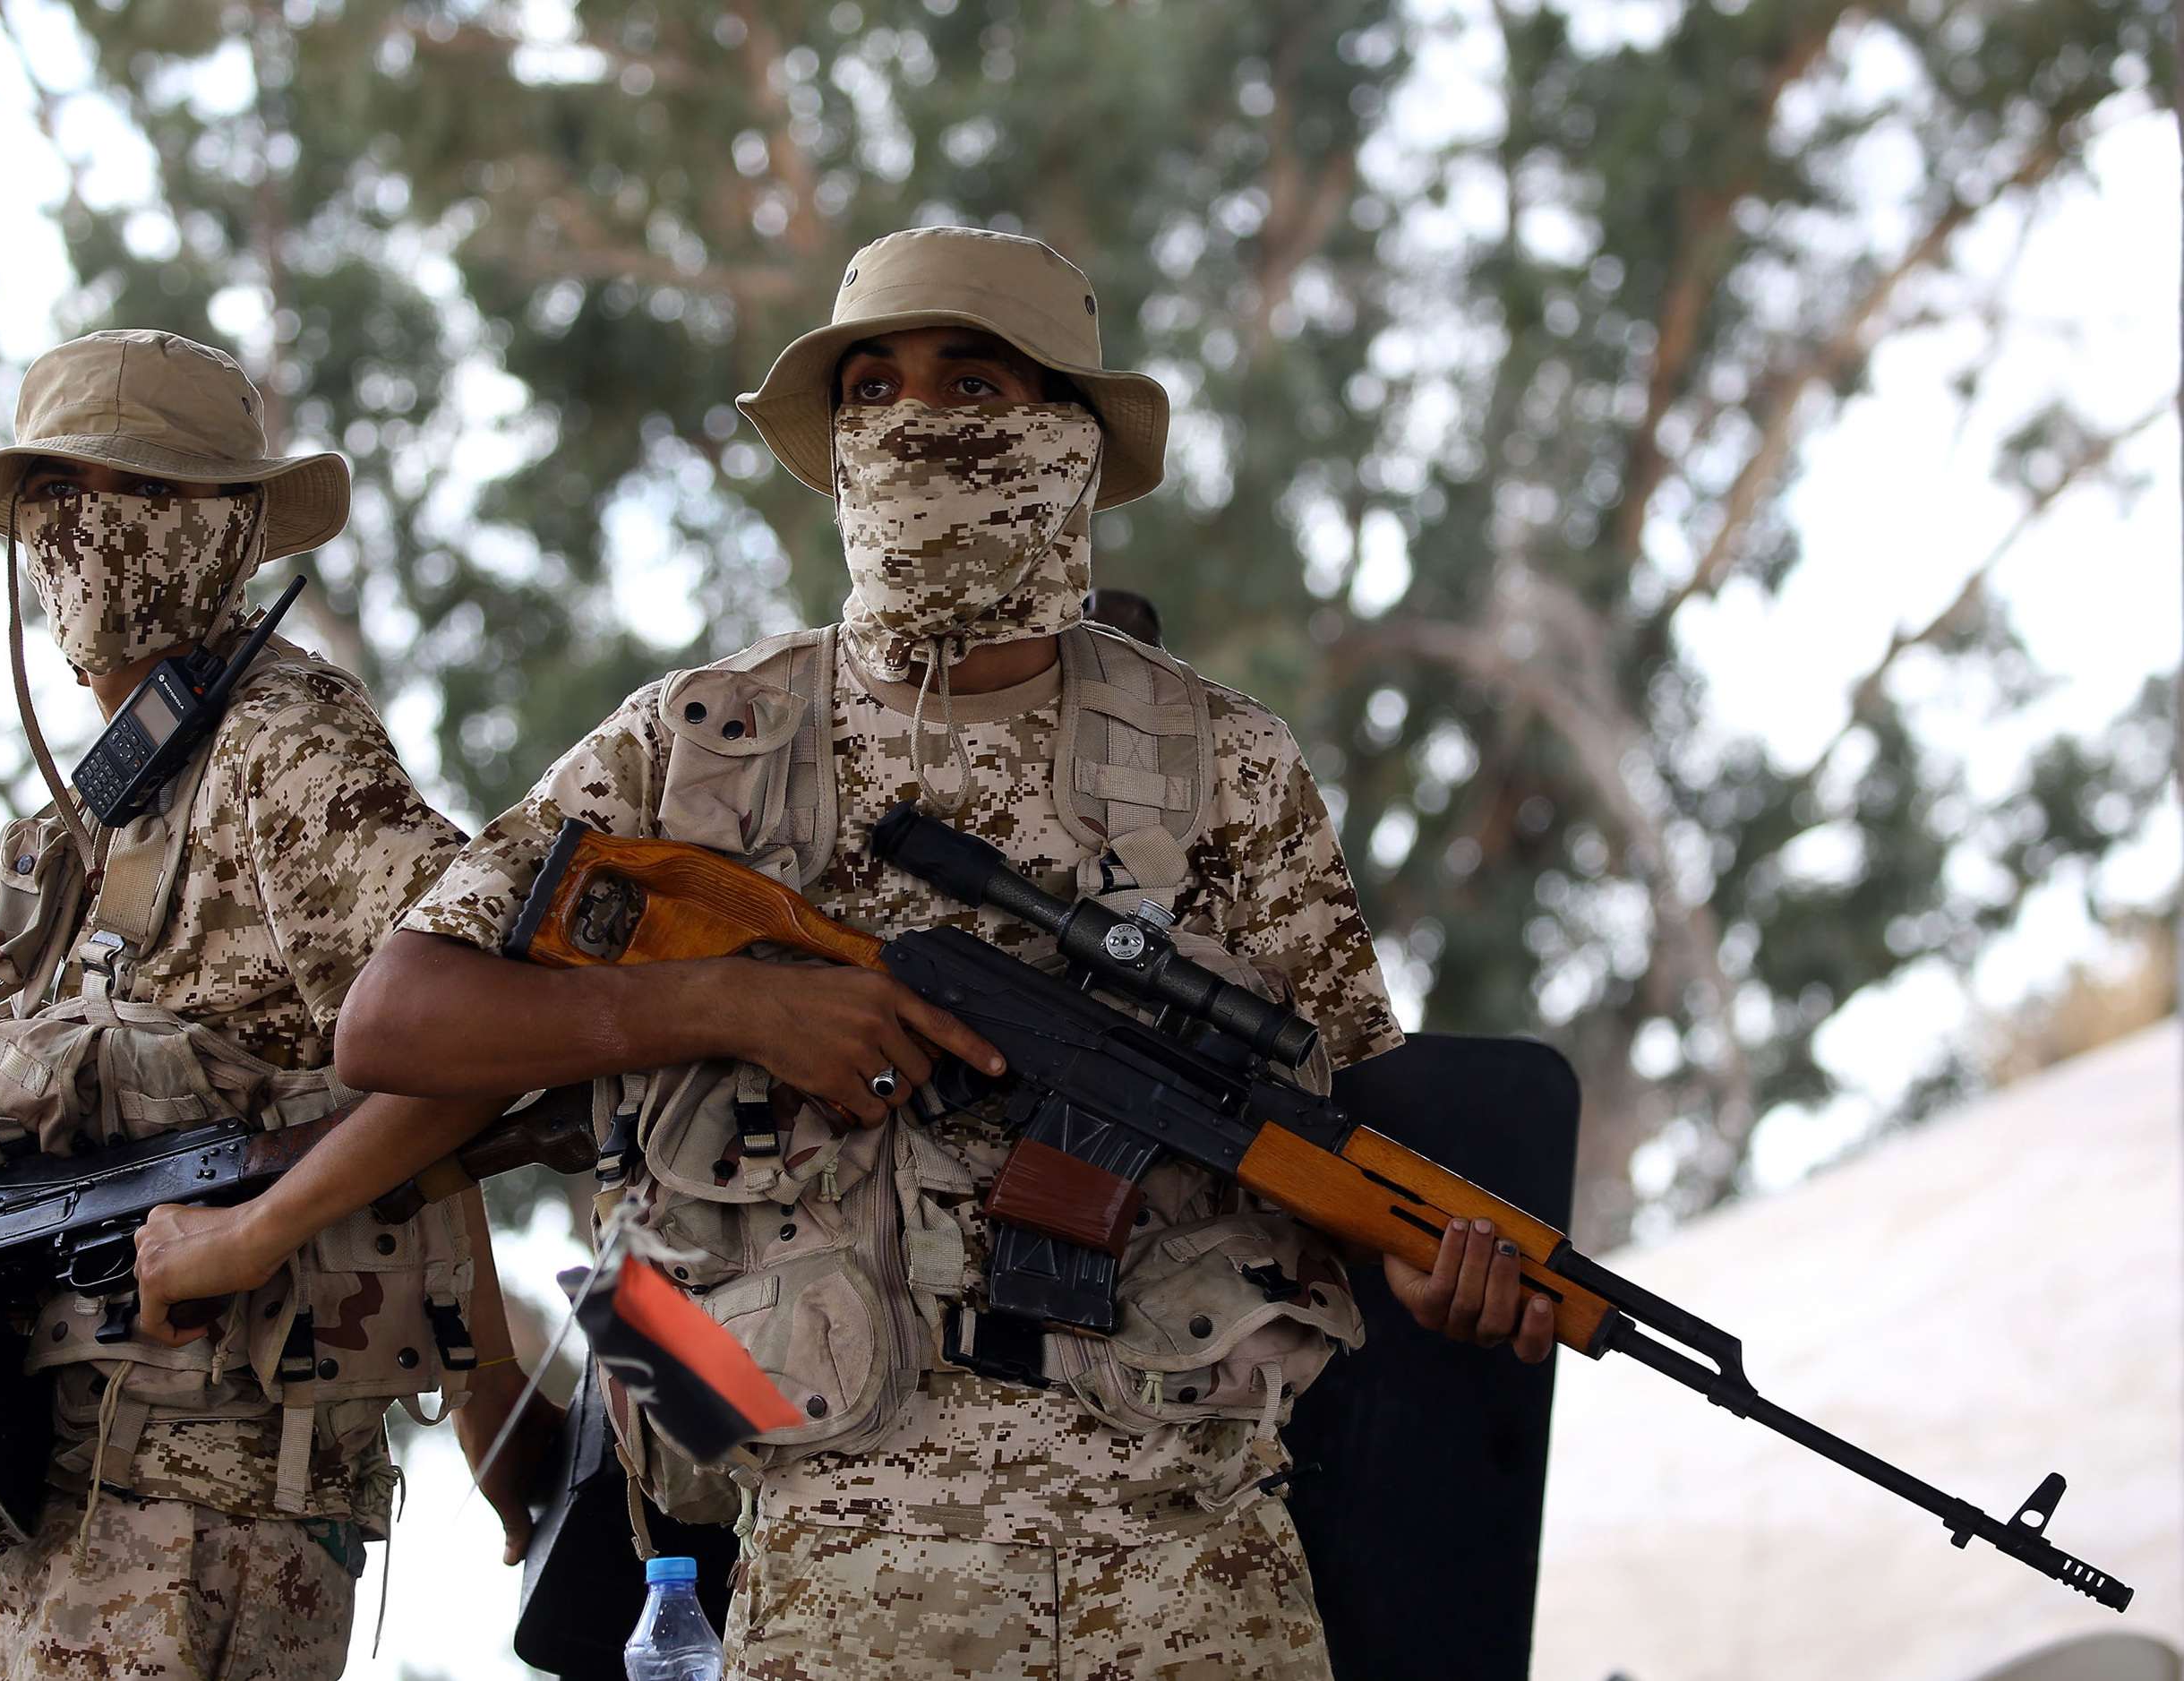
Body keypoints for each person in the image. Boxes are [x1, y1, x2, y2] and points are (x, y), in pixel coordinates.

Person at [138, 229, 1551, 1677]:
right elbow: (396, 1019)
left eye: (972, 378)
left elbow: (1343, 1130)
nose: (912, 415)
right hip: (840, 1569)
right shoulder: (699, 744)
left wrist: (1429, 1275)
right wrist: (732, 1005)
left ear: (1069, 433)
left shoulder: (1226, 762)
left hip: (1195, 1564)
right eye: (870, 384)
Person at [0, 329, 515, 1681]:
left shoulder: (288, 745)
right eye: (60, 494)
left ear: (234, 528)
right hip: (23, 1501)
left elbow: (475, 1037)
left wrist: (487, 1406)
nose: (95, 530)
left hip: (200, 1520)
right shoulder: (71, 830)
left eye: (149, 492)